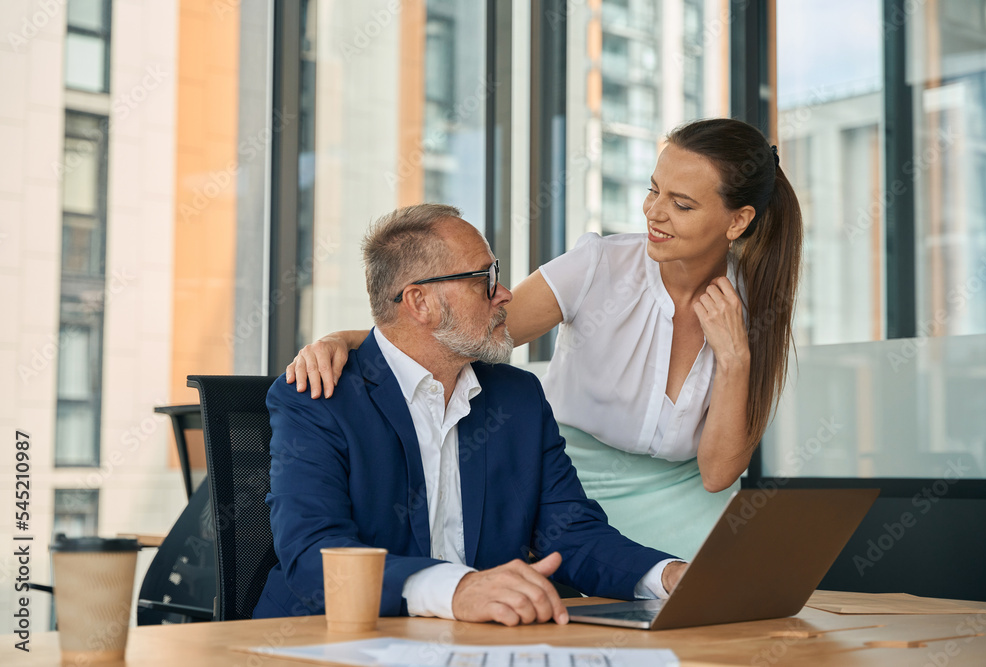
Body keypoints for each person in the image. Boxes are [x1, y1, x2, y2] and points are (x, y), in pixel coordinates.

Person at [286, 118, 803, 559]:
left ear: (738, 221)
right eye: (654, 190)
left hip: (690, 511)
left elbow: (717, 474)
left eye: (682, 204)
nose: (654, 212)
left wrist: (735, 357)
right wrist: (346, 340)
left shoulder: (754, 305)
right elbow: (469, 329)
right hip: (570, 502)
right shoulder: (598, 266)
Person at [254, 204, 688, 626]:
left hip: (475, 644)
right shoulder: (318, 399)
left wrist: (668, 576)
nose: (505, 294)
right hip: (328, 641)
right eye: (484, 280)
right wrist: (457, 590)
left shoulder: (518, 398)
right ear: (420, 302)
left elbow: (571, 533)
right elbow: (314, 554)